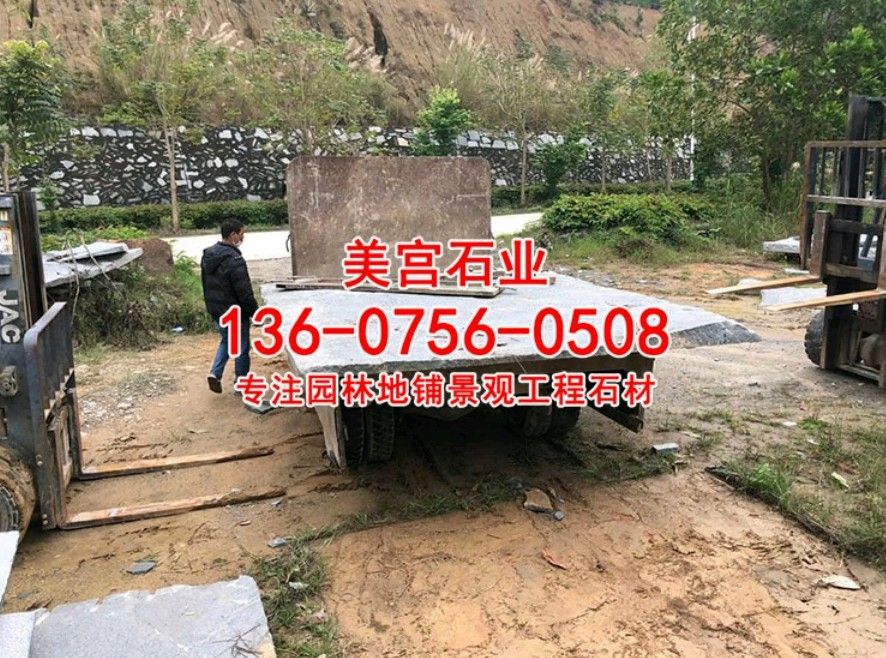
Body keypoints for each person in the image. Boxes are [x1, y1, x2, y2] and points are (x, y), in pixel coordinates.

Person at [200, 219, 258, 394]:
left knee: (228, 340)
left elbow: (206, 285)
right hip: (235, 312)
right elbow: (244, 291)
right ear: (233, 235)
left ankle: (215, 373)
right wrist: (254, 312)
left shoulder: (208, 255)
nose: (243, 237)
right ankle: (241, 385)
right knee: (241, 349)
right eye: (241, 234)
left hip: (217, 311)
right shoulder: (235, 259)